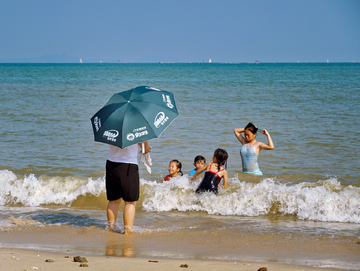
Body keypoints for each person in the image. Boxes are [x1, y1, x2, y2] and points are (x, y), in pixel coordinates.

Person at [106, 141, 151, 234]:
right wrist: (147, 147)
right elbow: (143, 145)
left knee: (113, 200)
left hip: (111, 164)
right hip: (128, 165)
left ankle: (111, 228)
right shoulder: (134, 128)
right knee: (130, 202)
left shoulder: (112, 127)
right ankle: (127, 231)